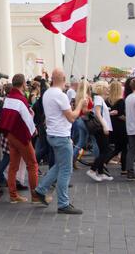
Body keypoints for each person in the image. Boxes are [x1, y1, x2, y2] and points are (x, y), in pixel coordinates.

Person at [34, 69, 87, 214]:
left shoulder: (47, 93)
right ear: (63, 79)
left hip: (52, 134)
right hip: (61, 136)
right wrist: (80, 104)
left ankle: (41, 189)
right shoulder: (60, 95)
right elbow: (72, 117)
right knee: (65, 169)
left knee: (59, 165)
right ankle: (63, 203)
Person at [0, 74, 41, 204]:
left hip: (10, 134)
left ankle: (13, 195)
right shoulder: (20, 99)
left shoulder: (9, 98)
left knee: (13, 165)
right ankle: (35, 196)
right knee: (32, 164)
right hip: (20, 136)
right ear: (23, 84)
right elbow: (27, 119)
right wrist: (33, 131)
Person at [86, 81, 113, 182]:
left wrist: (109, 113)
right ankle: (93, 170)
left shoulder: (99, 99)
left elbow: (100, 113)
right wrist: (105, 126)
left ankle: (100, 172)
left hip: (102, 127)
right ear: (102, 88)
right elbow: (97, 113)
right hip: (101, 128)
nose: (108, 90)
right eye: (106, 88)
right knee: (106, 151)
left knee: (103, 150)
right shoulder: (98, 99)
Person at [106, 81, 128, 175]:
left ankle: (103, 162)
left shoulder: (107, 100)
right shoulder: (121, 101)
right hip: (121, 126)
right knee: (123, 148)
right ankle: (124, 168)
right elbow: (121, 115)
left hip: (111, 125)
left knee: (118, 148)